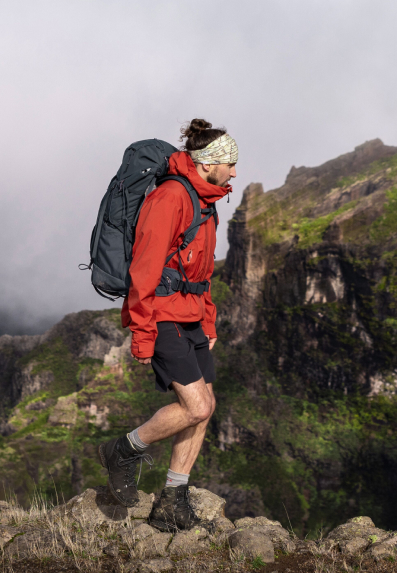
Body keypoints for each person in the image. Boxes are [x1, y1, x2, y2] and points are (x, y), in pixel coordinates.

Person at [98, 118, 238, 532]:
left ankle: (172, 501)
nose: (235, 171)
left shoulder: (207, 201)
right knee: (197, 406)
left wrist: (208, 321)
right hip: (161, 316)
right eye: (231, 163)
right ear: (208, 163)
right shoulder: (171, 198)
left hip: (191, 316)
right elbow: (144, 269)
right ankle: (121, 449)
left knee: (204, 412)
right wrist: (141, 335)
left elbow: (203, 271)